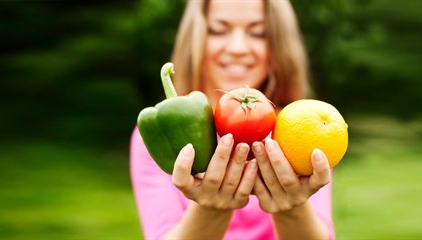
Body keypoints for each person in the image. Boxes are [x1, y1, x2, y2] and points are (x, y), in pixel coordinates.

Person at [129, 0, 335, 239]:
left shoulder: (301, 126)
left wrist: (293, 209)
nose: (238, 47)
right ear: (196, 38)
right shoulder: (159, 131)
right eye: (218, 30)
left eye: (259, 33)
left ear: (278, 44)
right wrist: (210, 211)